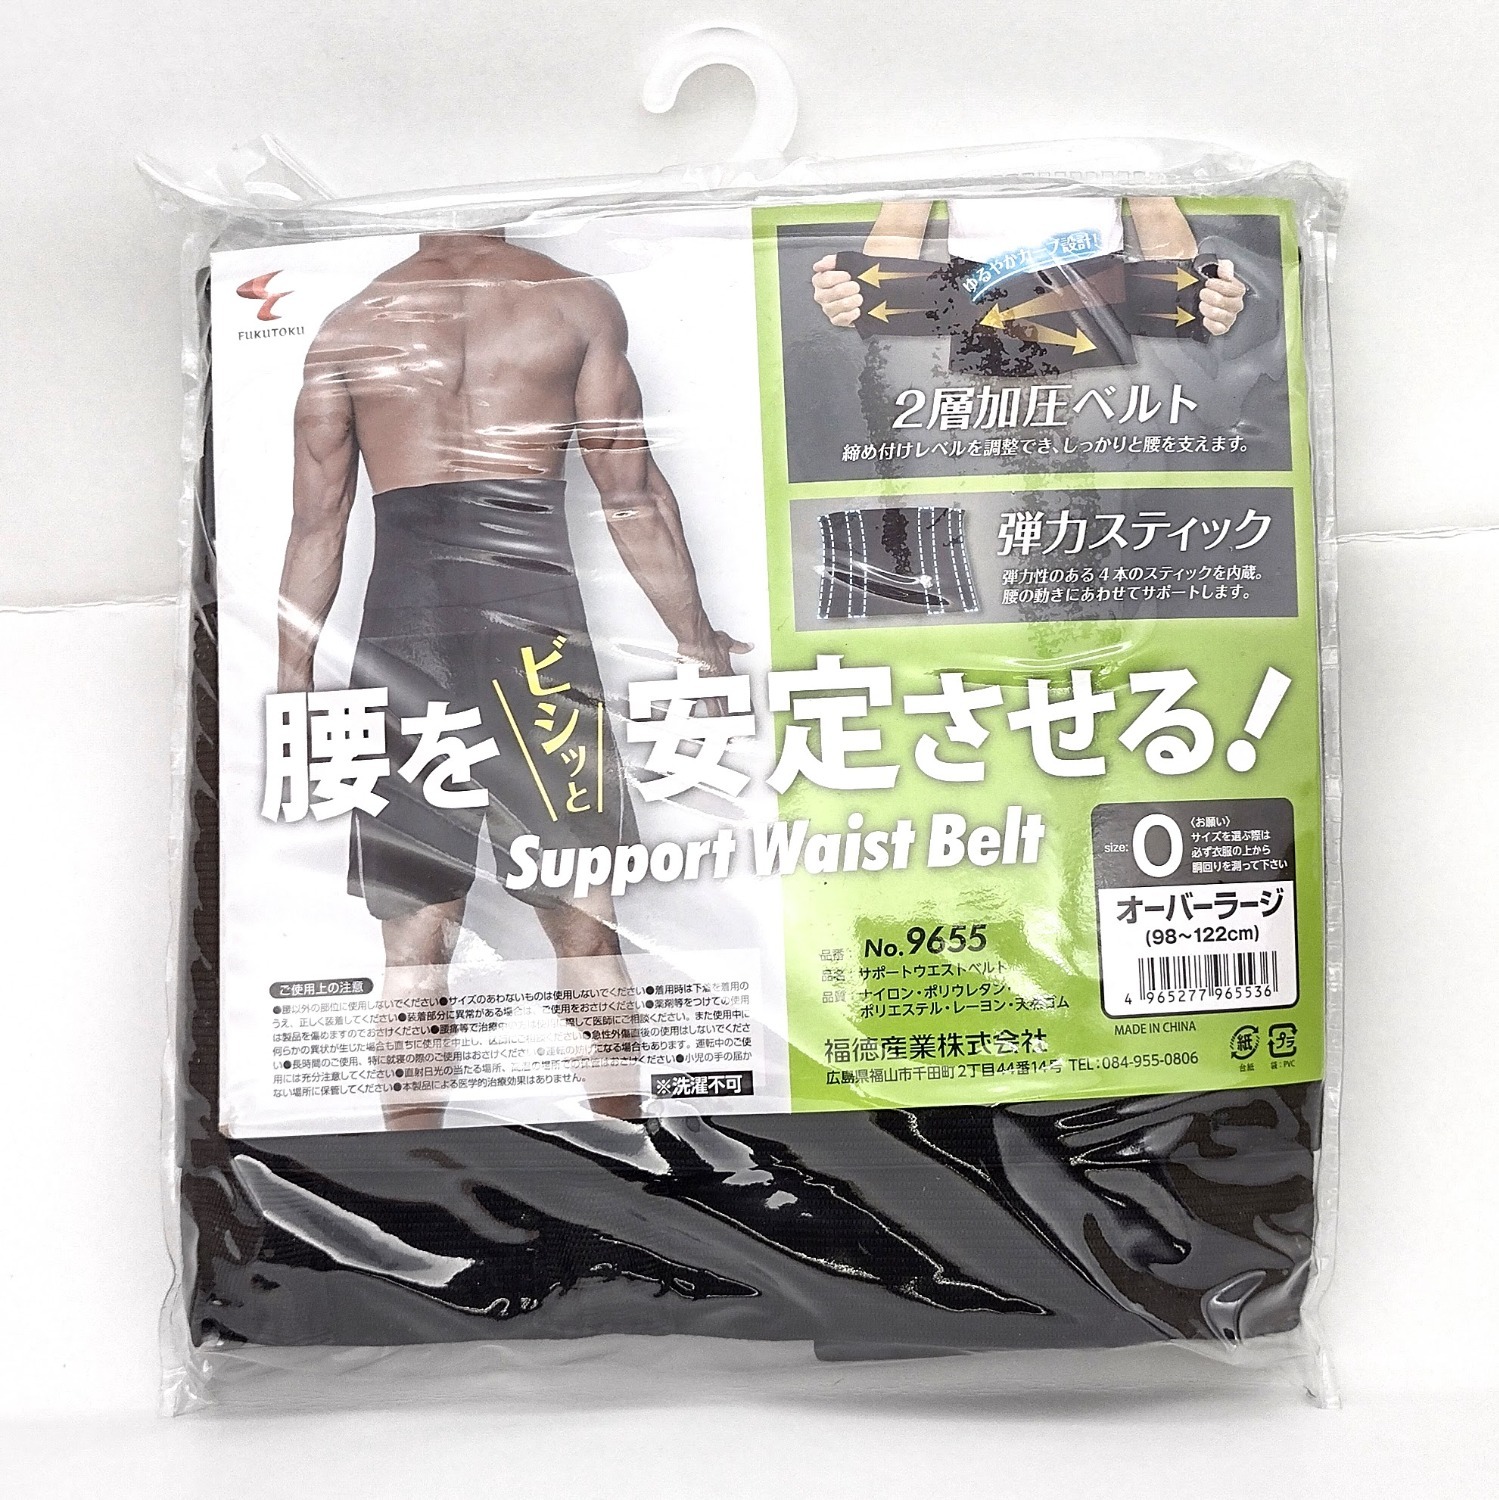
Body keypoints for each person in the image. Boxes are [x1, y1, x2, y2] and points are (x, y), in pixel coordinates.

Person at [275, 231, 747, 1129]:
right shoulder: (571, 301)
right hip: (536, 632)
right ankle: (634, 1165)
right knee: (587, 932)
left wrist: (290, 686)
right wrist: (697, 641)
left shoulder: (352, 324)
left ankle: (411, 1178)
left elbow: (316, 526)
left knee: (412, 955)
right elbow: (630, 492)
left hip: (406, 639)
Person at [811, 195, 1247, 335]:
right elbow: (903, 216)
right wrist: (860, 299)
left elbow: (1154, 209)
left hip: (1098, 303)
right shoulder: (935, 93)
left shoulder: (1118, 83)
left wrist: (1200, 301)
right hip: (978, 306)